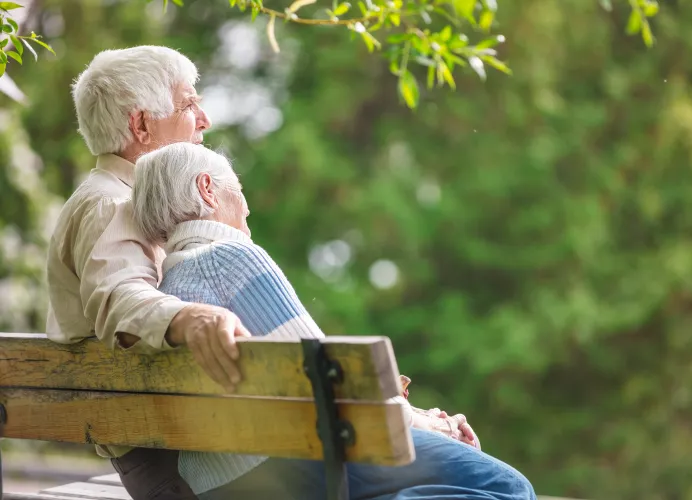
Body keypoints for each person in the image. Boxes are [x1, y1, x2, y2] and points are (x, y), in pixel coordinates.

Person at [130, 142, 537, 500]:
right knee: (509, 488)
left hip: (215, 484)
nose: (248, 205)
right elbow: (334, 387)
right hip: (291, 465)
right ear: (207, 189)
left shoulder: (167, 289)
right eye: (238, 189)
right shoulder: (230, 258)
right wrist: (434, 424)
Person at [45, 46, 251, 500]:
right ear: (141, 125)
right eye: (188, 104)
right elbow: (119, 297)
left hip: (182, 441)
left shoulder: (132, 200)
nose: (204, 119)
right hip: (172, 460)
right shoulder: (112, 203)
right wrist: (190, 318)